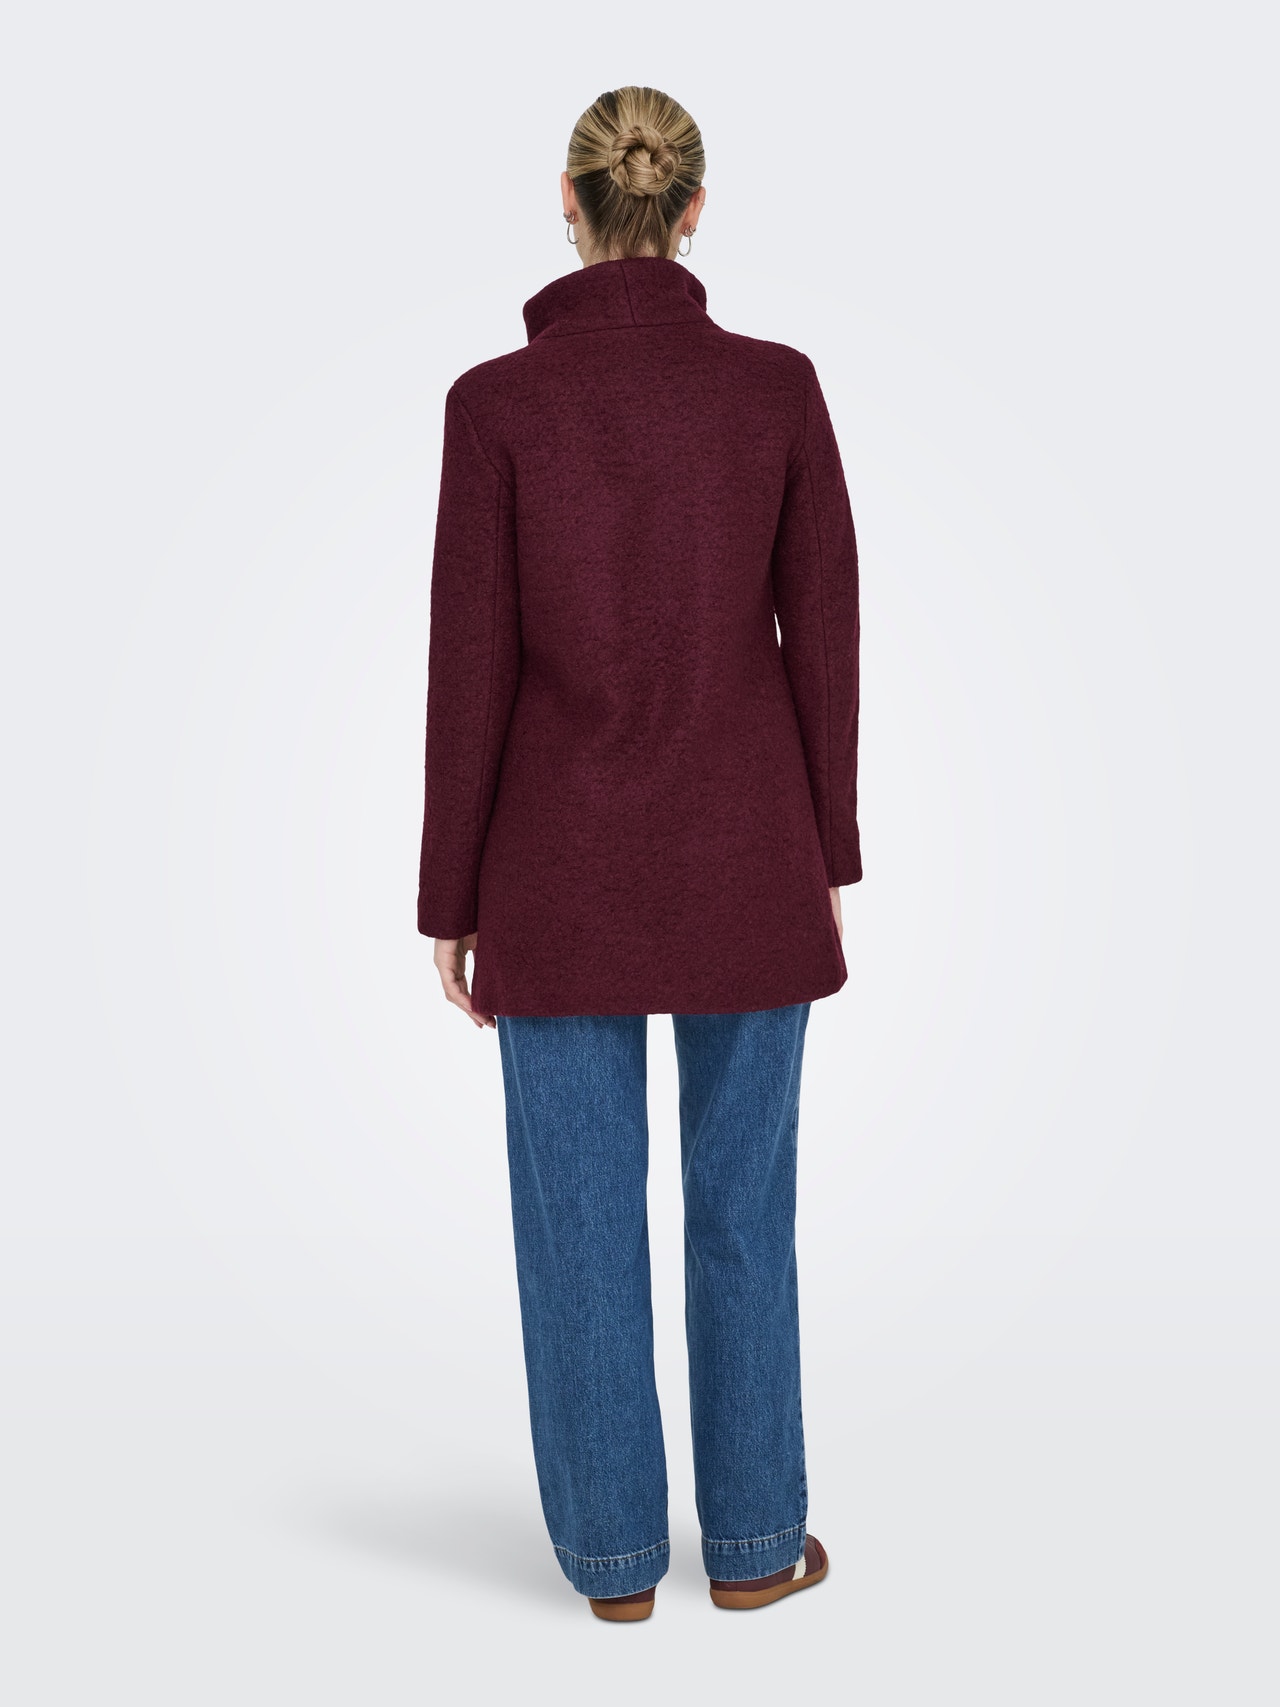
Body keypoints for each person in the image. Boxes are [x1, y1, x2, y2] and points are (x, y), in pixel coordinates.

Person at [416, 85, 861, 1622]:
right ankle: (753, 1549)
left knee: (580, 1227)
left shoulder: (496, 406)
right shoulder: (777, 390)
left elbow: (468, 668)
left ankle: (613, 1567)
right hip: (751, 859)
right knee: (745, 1212)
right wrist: (830, 851)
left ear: (570, 199)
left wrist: (450, 897)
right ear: (692, 209)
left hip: (554, 874)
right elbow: (825, 639)